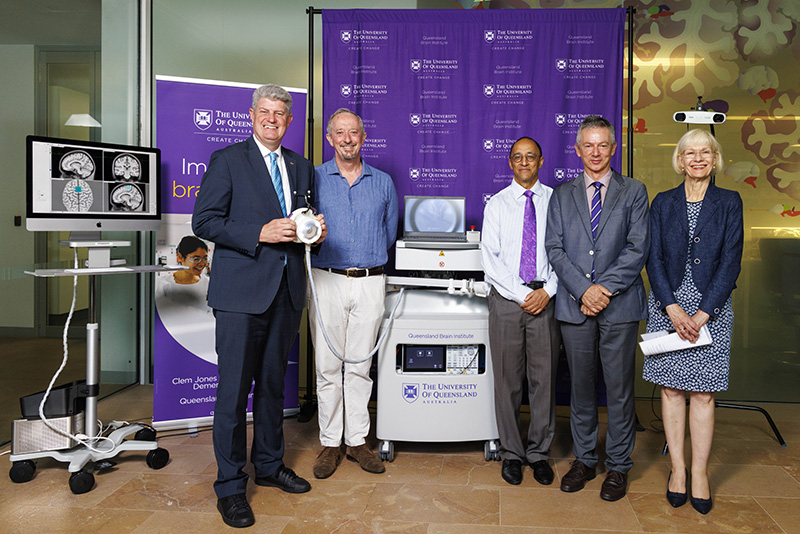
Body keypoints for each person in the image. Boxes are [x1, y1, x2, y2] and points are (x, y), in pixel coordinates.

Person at [192, 84, 327, 529]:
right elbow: (205, 221)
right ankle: (230, 487)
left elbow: (304, 219)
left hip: (286, 292)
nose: (273, 119)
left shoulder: (301, 167)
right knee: (232, 394)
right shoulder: (227, 160)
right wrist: (259, 232)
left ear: (290, 120)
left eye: (281, 114)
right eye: (265, 112)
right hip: (239, 295)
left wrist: (315, 233)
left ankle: (268, 466)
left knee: (273, 389)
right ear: (252, 115)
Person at [545, 115, 650, 501]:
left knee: (620, 390)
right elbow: (554, 248)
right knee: (581, 388)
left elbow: (638, 248)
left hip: (619, 306)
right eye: (588, 145)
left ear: (613, 147)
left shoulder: (634, 191)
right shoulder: (561, 194)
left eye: (602, 144)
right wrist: (583, 290)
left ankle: (619, 466)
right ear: (577, 150)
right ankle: (585, 459)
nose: (595, 152)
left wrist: (602, 289)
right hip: (575, 307)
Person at [644, 129, 743, 515]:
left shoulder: (729, 202)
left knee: (702, 394)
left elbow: (730, 261)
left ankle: (700, 473)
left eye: (706, 153)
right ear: (680, 160)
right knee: (671, 391)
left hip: (711, 308)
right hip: (668, 306)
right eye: (690, 153)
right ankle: (678, 471)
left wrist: (703, 314)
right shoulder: (663, 202)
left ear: (715, 159)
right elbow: (652, 258)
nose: (698, 159)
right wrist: (671, 307)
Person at [307, 108, 398, 479]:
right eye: (339, 133)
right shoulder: (312, 179)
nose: (347, 139)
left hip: (370, 281)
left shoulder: (384, 182)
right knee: (328, 366)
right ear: (330, 139)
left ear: (363, 137)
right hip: (325, 278)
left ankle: (358, 441)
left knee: (360, 366)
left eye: (353, 133)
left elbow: (389, 233)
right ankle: (331, 443)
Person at [481, 137, 561, 486]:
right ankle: (512, 453)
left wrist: (547, 291)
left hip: (546, 299)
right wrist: (522, 295)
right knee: (508, 382)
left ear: (541, 161)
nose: (525, 162)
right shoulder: (496, 205)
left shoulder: (558, 201)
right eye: (518, 157)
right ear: (510, 162)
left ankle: (539, 454)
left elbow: (566, 253)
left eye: (531, 157)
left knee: (544, 382)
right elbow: (491, 261)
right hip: (507, 302)